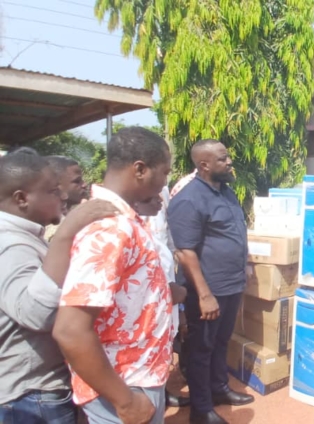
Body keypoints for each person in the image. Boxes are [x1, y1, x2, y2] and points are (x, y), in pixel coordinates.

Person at [52, 126, 174, 424]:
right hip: (125, 385)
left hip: (140, 375)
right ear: (140, 170)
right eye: (164, 172)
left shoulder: (125, 219)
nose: (165, 181)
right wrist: (126, 401)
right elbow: (70, 331)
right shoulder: (109, 229)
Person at [0, 152, 117, 424]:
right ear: (21, 198)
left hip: (36, 390)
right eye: (53, 191)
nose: (63, 196)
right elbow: (37, 314)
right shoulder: (10, 245)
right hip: (31, 394)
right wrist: (67, 232)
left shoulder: (25, 236)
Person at [168, 140, 252, 424]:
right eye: (222, 159)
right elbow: (185, 252)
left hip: (231, 284)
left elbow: (235, 232)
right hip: (207, 289)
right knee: (201, 349)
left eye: (227, 157)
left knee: (221, 341)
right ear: (204, 165)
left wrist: (246, 265)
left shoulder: (225, 192)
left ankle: (219, 388)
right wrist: (204, 295)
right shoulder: (189, 199)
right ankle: (201, 409)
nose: (229, 162)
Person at [134, 189, 191, 409]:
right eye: (153, 196)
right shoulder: (126, 226)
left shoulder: (160, 198)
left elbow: (169, 246)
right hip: (146, 306)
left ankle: (162, 393)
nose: (161, 200)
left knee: (164, 346)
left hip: (167, 293)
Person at [44, 156, 89, 241]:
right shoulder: (57, 230)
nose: (84, 185)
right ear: (57, 186)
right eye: (77, 181)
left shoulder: (69, 221)